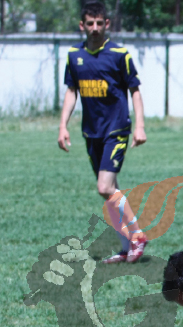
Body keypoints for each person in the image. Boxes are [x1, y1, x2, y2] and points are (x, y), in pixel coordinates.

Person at [58, 1, 148, 264]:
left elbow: (135, 91)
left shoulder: (119, 54)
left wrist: (140, 126)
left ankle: (138, 235)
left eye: (99, 23)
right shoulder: (74, 55)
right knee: (110, 192)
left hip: (116, 129)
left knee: (104, 186)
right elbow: (72, 91)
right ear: (82, 25)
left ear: (107, 23)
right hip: (91, 132)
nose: (95, 28)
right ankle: (126, 248)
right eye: (90, 23)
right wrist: (63, 125)